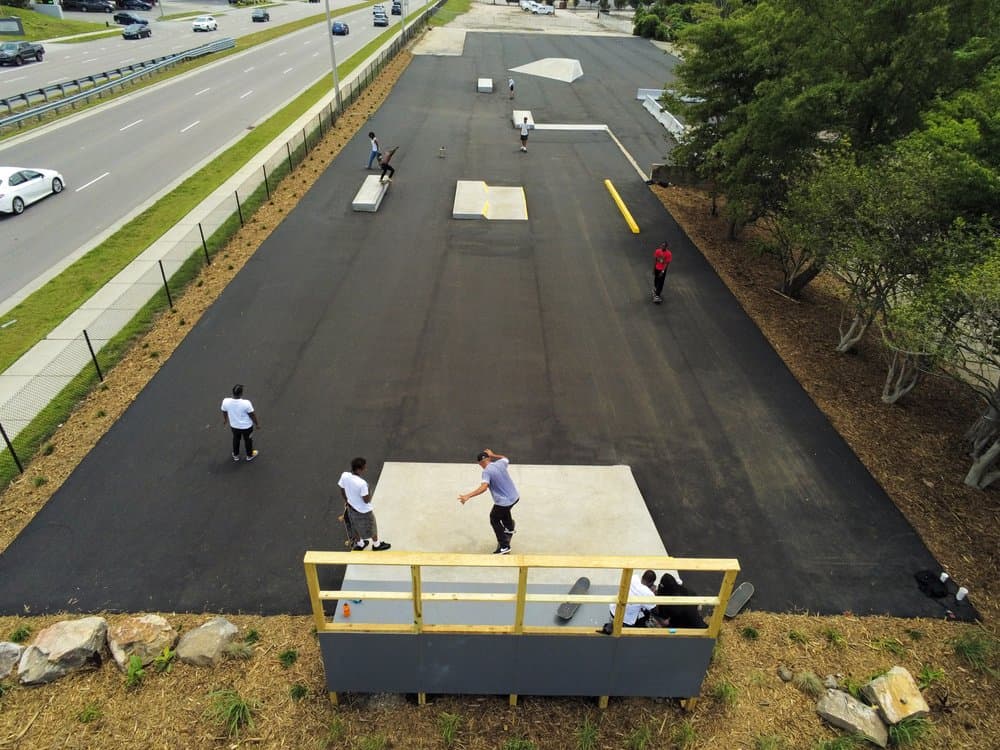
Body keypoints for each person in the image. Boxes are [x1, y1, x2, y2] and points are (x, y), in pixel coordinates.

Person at [458, 448, 519, 554]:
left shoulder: (486, 472)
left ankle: (504, 546)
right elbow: (505, 458)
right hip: (515, 497)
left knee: (494, 518)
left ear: (480, 463)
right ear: (489, 458)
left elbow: (484, 487)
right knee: (504, 510)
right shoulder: (500, 463)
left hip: (504, 501)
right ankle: (509, 527)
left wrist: (468, 496)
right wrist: (494, 454)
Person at [338, 457, 391, 551]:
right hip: (364, 510)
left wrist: (347, 500)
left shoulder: (345, 475)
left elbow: (342, 489)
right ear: (359, 469)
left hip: (351, 507)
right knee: (372, 526)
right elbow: (366, 500)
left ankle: (361, 544)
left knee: (354, 526)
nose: (365, 469)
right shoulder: (362, 484)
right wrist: (369, 492)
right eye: (364, 467)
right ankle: (376, 545)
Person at [221, 384, 259, 462]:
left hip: (234, 426)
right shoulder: (246, 403)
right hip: (247, 427)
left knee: (236, 439)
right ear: (241, 394)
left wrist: (225, 419)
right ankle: (249, 455)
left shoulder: (225, 401)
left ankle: (235, 455)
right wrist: (257, 424)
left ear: (232, 393)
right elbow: (252, 415)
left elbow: (224, 411)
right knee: (248, 440)